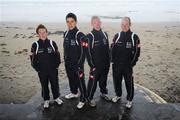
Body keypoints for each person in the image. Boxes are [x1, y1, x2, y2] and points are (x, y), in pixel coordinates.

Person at [30, 24, 63, 109]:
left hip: (53, 70)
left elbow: (57, 56)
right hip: (42, 71)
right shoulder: (35, 45)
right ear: (37, 34)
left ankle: (56, 97)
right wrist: (38, 70)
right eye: (40, 32)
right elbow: (32, 60)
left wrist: (56, 67)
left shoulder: (52, 43)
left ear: (47, 32)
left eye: (44, 32)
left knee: (55, 84)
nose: (42, 34)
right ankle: (46, 100)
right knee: (44, 86)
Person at [111, 17, 141, 108]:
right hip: (117, 65)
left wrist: (132, 64)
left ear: (130, 24)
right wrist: (112, 61)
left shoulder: (134, 37)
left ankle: (129, 99)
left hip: (128, 66)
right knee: (117, 81)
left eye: (126, 24)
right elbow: (111, 49)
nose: (124, 26)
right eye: (122, 24)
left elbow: (137, 52)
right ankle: (118, 95)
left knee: (129, 82)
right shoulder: (117, 35)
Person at [86, 16, 110, 107]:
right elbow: (88, 53)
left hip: (105, 64)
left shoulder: (105, 34)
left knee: (103, 80)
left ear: (101, 22)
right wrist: (92, 65)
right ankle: (89, 98)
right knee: (93, 82)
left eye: (99, 22)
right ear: (92, 24)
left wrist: (109, 61)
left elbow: (108, 49)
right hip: (95, 65)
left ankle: (104, 93)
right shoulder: (89, 36)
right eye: (95, 22)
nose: (97, 24)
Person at [63, 13, 87, 107]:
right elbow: (65, 47)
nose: (70, 24)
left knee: (80, 82)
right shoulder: (66, 33)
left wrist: (79, 64)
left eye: (72, 21)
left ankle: (83, 99)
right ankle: (74, 93)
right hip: (68, 63)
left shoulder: (80, 35)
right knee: (71, 79)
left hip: (77, 65)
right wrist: (65, 58)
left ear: (76, 22)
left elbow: (83, 52)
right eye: (68, 22)